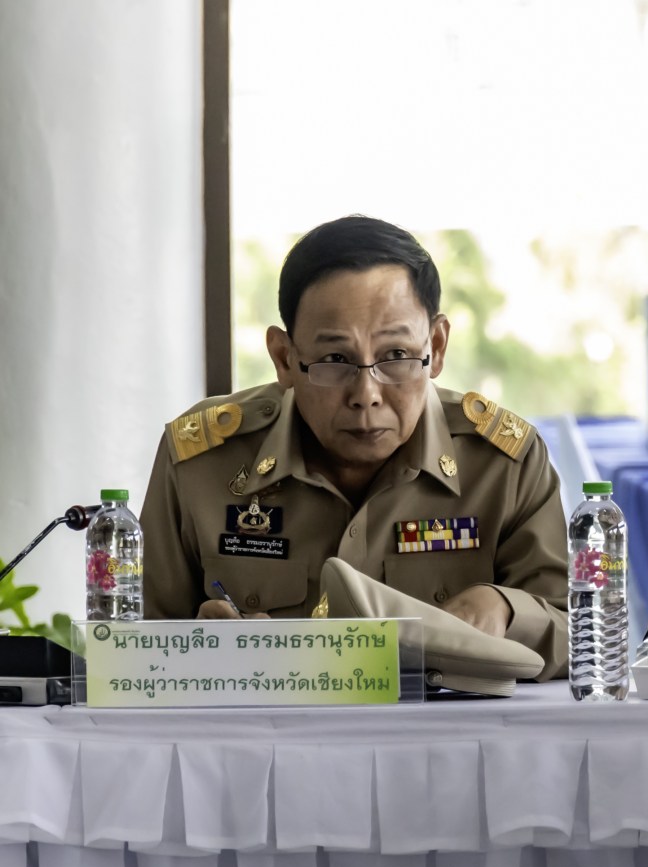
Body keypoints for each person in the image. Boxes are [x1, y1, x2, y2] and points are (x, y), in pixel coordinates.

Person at [141, 215, 569, 679]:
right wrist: (195, 649)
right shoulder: (200, 465)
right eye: (334, 359)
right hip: (264, 743)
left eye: (396, 357)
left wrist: (505, 608)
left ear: (438, 347)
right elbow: (135, 648)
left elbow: (582, 639)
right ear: (285, 358)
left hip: (444, 747)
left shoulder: (504, 465)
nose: (366, 392)